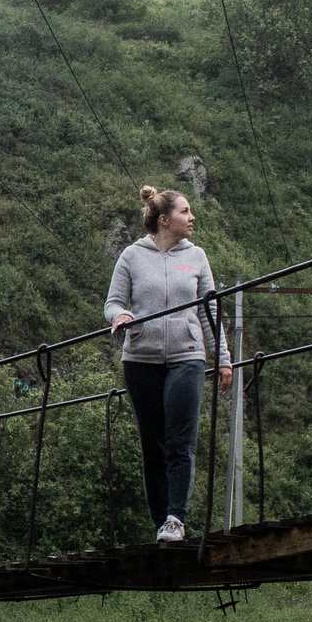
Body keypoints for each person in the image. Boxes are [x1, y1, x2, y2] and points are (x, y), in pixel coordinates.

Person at [105, 184, 233, 542]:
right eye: (185, 211)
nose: (192, 217)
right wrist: (121, 316)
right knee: (153, 444)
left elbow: (210, 312)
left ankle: (176, 518)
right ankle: (160, 521)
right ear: (164, 219)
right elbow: (113, 302)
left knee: (180, 442)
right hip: (140, 359)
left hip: (186, 357)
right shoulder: (132, 256)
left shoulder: (197, 256)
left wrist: (223, 359)